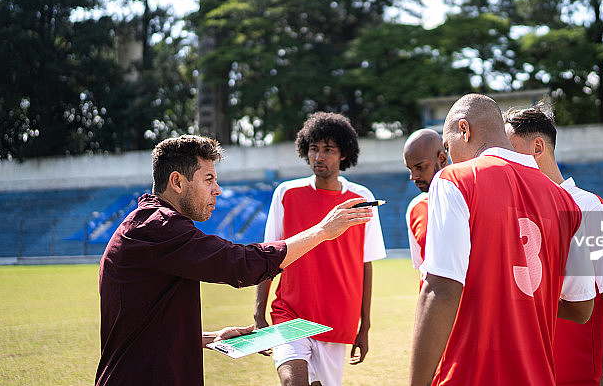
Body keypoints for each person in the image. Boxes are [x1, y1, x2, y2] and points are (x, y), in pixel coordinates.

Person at [96, 134, 373, 386]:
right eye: (208, 180)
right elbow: (241, 264)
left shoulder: (150, 224)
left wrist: (210, 338)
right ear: (177, 182)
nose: (217, 189)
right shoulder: (159, 228)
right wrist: (322, 231)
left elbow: (146, 329)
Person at [409, 94, 596, 386]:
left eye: (447, 146)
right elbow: (583, 308)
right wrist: (517, 296)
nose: (450, 156)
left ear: (464, 129)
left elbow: (440, 289)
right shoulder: (567, 203)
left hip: (470, 375)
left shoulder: (454, 180)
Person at [254, 112, 386, 386]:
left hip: (337, 319)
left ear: (344, 154)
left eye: (328, 150)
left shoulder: (362, 199)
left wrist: (365, 326)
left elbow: (366, 264)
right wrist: (258, 314)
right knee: (293, 382)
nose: (319, 156)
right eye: (314, 148)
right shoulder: (286, 193)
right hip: (289, 312)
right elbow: (269, 255)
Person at [505, 104, 603, 386]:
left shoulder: (589, 208)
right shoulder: (519, 212)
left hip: (579, 373)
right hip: (533, 371)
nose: (507, 163)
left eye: (512, 152)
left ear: (538, 147)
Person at [402, 128, 449, 282]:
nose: (413, 177)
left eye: (420, 167)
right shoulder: (415, 209)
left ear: (442, 159)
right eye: (410, 169)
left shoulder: (471, 199)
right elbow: (422, 268)